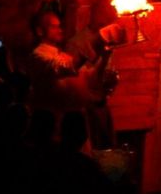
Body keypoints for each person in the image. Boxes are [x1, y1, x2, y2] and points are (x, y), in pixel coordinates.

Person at [27, 11, 124, 146]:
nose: (59, 30)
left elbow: (89, 78)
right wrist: (95, 44)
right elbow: (64, 68)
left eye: (59, 26)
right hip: (53, 127)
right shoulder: (38, 56)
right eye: (53, 27)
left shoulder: (62, 55)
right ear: (39, 31)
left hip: (75, 125)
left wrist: (104, 57)